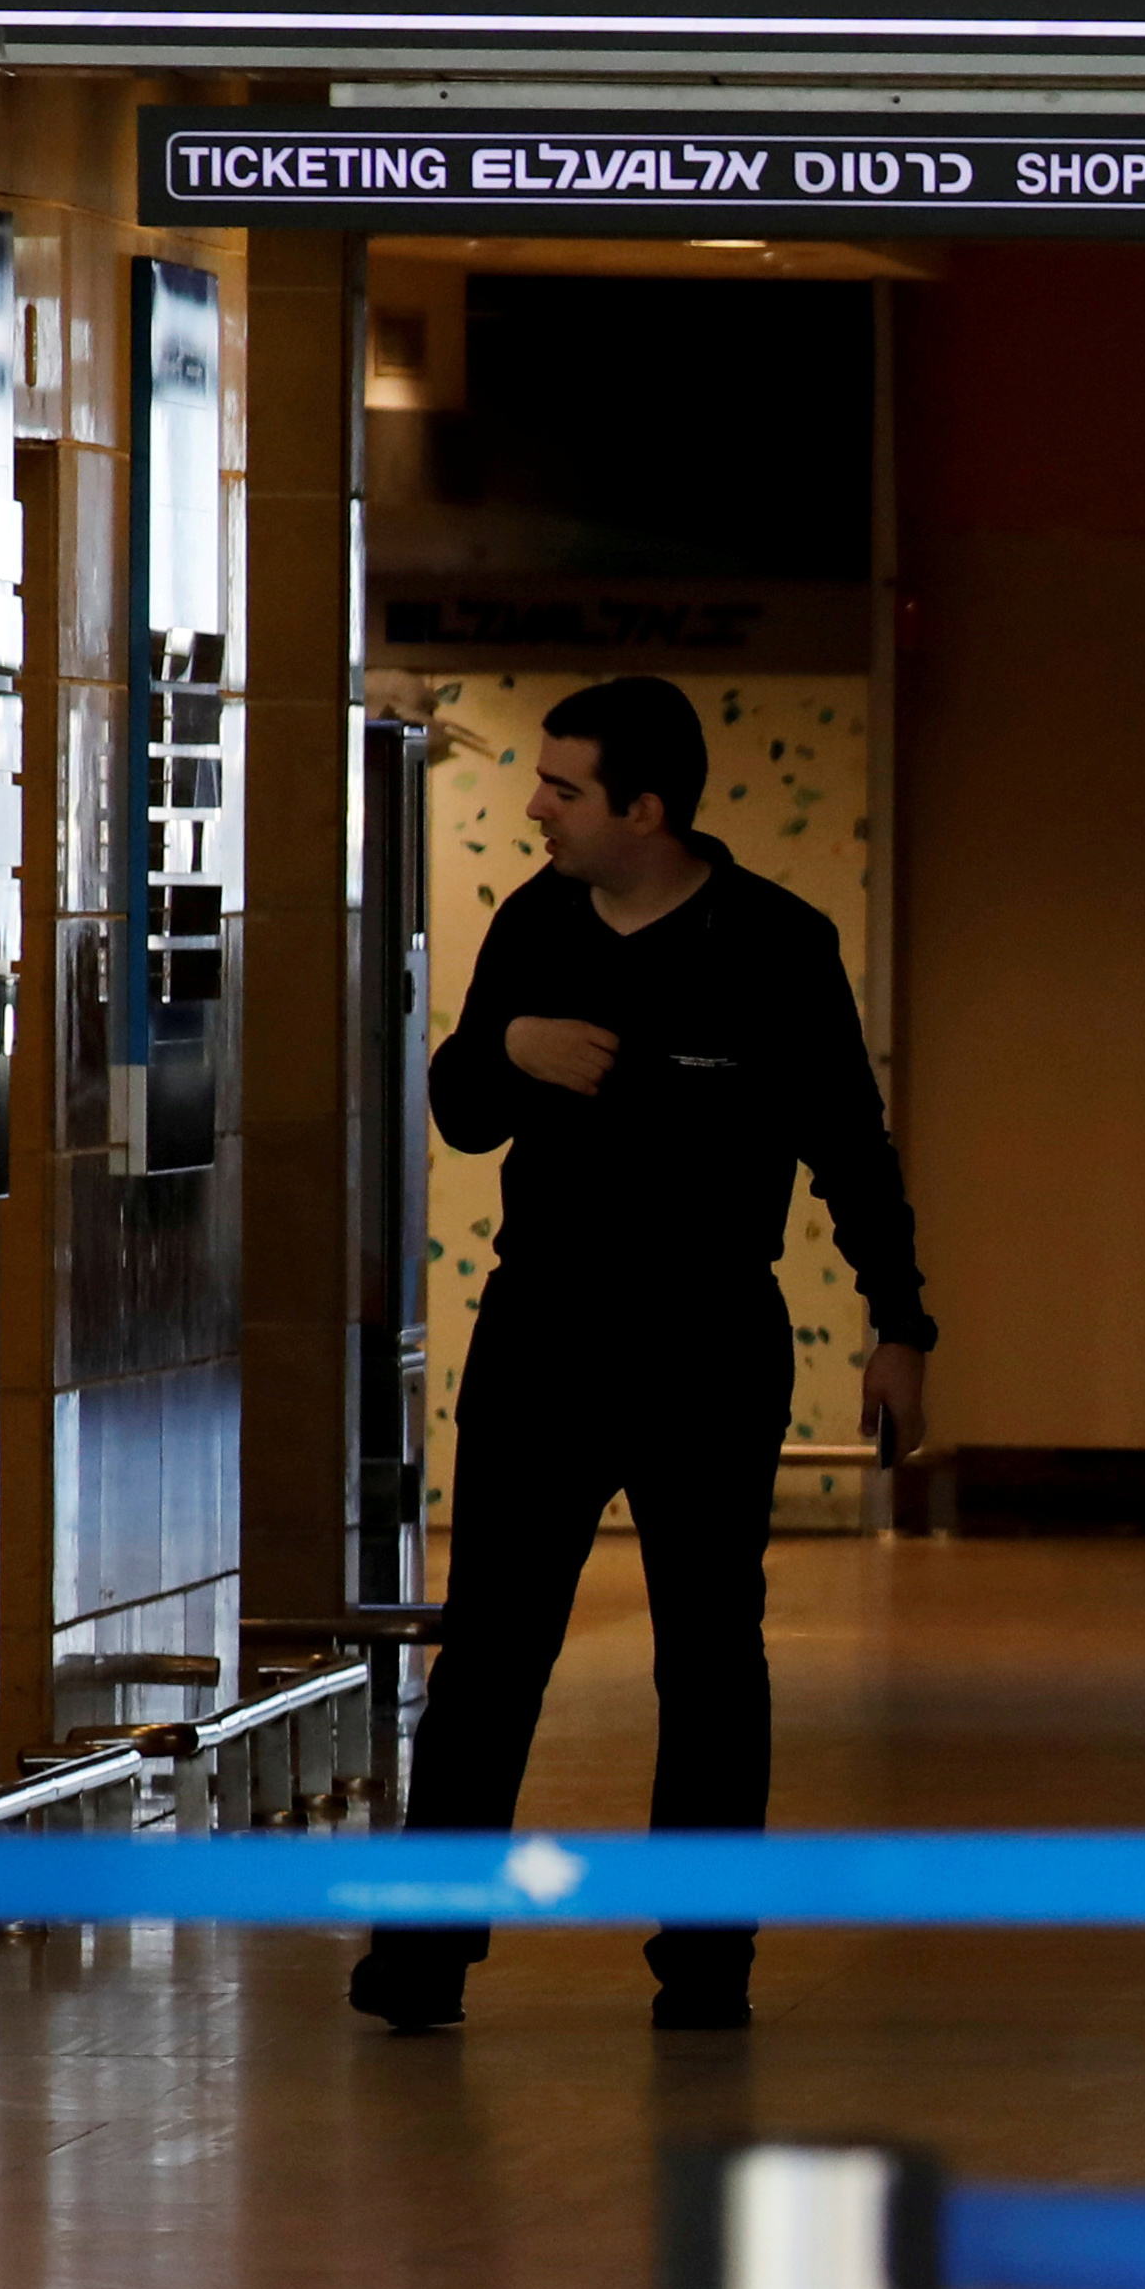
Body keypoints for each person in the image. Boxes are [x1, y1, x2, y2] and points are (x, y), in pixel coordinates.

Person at [350, 674, 935, 2038]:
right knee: (491, 1652)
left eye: (562, 788)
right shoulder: (538, 924)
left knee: (712, 1658)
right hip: (545, 1328)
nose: (535, 806)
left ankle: (706, 1962)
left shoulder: (777, 945)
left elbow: (852, 1145)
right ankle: (425, 1951)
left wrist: (901, 1323)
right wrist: (510, 1044)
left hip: (707, 1339)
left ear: (647, 809)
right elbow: (458, 1109)